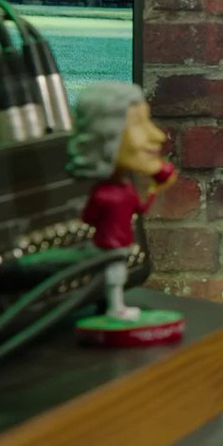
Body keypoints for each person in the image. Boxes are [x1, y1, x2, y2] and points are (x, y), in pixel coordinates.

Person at [66, 81, 177, 321]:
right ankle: (115, 308)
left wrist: (154, 189)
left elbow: (136, 209)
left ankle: (115, 305)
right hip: (108, 247)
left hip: (119, 246)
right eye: (137, 123)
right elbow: (90, 218)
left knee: (116, 277)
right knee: (112, 278)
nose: (158, 135)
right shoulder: (106, 193)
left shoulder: (125, 189)